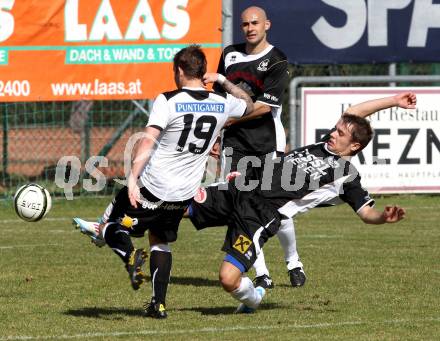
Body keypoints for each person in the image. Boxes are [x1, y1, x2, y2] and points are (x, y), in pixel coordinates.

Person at [187, 92, 415, 313]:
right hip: (241, 188)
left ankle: (254, 298)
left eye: (340, 133)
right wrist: (394, 101)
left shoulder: (347, 175)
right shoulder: (326, 145)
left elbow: (366, 213)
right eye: (335, 129)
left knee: (228, 279)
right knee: (177, 206)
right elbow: (354, 112)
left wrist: (384, 217)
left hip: (259, 215)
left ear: (354, 146)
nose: (333, 134)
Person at [73, 45, 254, 319]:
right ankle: (158, 304)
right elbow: (249, 104)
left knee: (111, 225)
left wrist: (133, 179)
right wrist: (224, 82)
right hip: (184, 193)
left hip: (154, 185)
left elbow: (147, 141)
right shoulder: (222, 101)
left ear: (180, 70)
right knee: (160, 239)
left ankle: (129, 255)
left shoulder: (168, 100)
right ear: (202, 71)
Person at [212, 6, 301, 289]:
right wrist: (216, 133)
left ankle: (293, 262)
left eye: (255, 23)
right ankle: (261, 272)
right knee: (241, 209)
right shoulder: (229, 54)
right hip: (234, 146)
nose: (250, 28)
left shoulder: (277, 59)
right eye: (245, 24)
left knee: (277, 208)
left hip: (267, 144)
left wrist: (229, 121)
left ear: (267, 25)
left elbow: (264, 107)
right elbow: (218, 102)